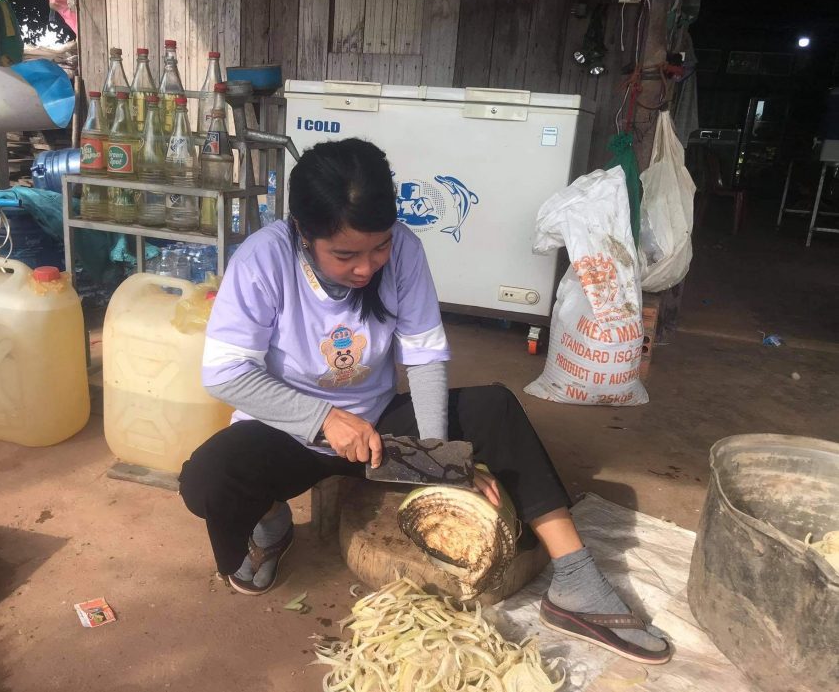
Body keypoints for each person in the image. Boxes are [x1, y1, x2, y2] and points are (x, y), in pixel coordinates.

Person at [179, 138, 671, 665]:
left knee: (496, 408)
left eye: (379, 247)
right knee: (207, 477)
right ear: (303, 232)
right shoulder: (263, 260)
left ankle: (574, 578)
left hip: (378, 433)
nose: (367, 267)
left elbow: (426, 355)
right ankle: (272, 521)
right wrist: (321, 417)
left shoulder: (407, 251)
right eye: (345, 254)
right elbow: (226, 373)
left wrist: (440, 458)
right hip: (286, 433)